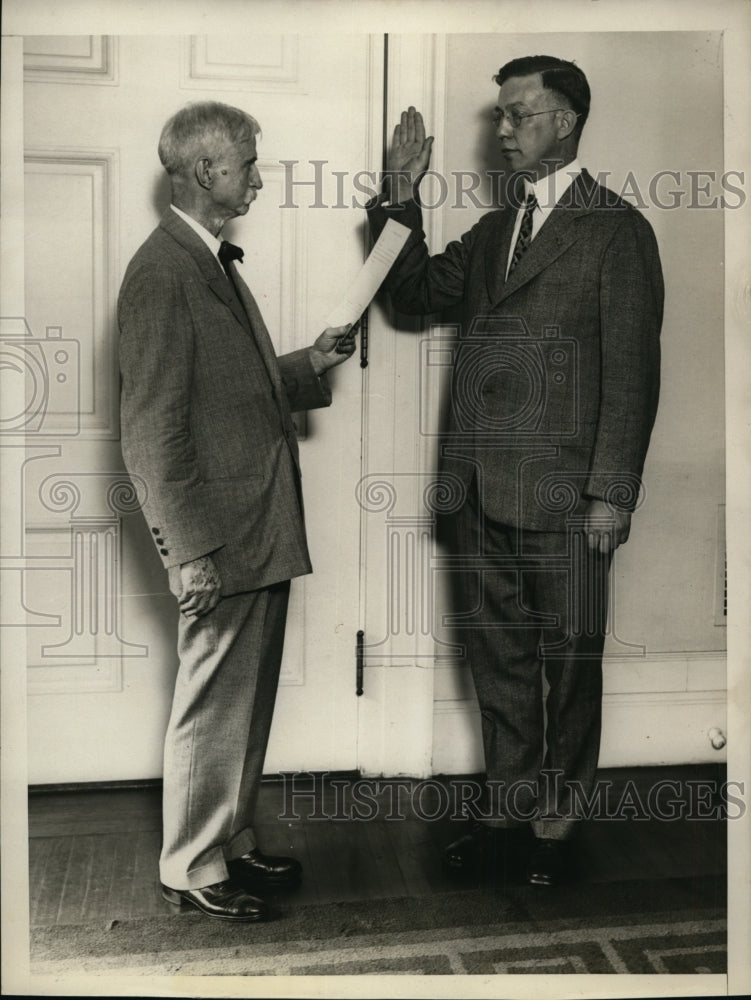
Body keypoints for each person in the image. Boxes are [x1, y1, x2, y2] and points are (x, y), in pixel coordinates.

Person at [368, 56, 663, 886]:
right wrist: (399, 197)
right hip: (476, 490)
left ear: (564, 122)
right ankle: (506, 810)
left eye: (516, 115)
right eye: (499, 116)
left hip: (568, 498)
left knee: (568, 665)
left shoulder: (616, 230)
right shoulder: (496, 229)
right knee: (495, 659)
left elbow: (632, 372)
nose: (500, 131)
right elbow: (411, 293)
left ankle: (556, 824)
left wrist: (610, 494)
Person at [118, 101, 356, 921]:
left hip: (254, 526)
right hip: (217, 536)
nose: (257, 176)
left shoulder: (204, 260)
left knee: (242, 701)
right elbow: (151, 428)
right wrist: (187, 552)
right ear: (206, 170)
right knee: (215, 702)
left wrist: (308, 364)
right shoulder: (163, 272)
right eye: (248, 162)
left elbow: (229, 387)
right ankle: (190, 864)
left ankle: (227, 838)